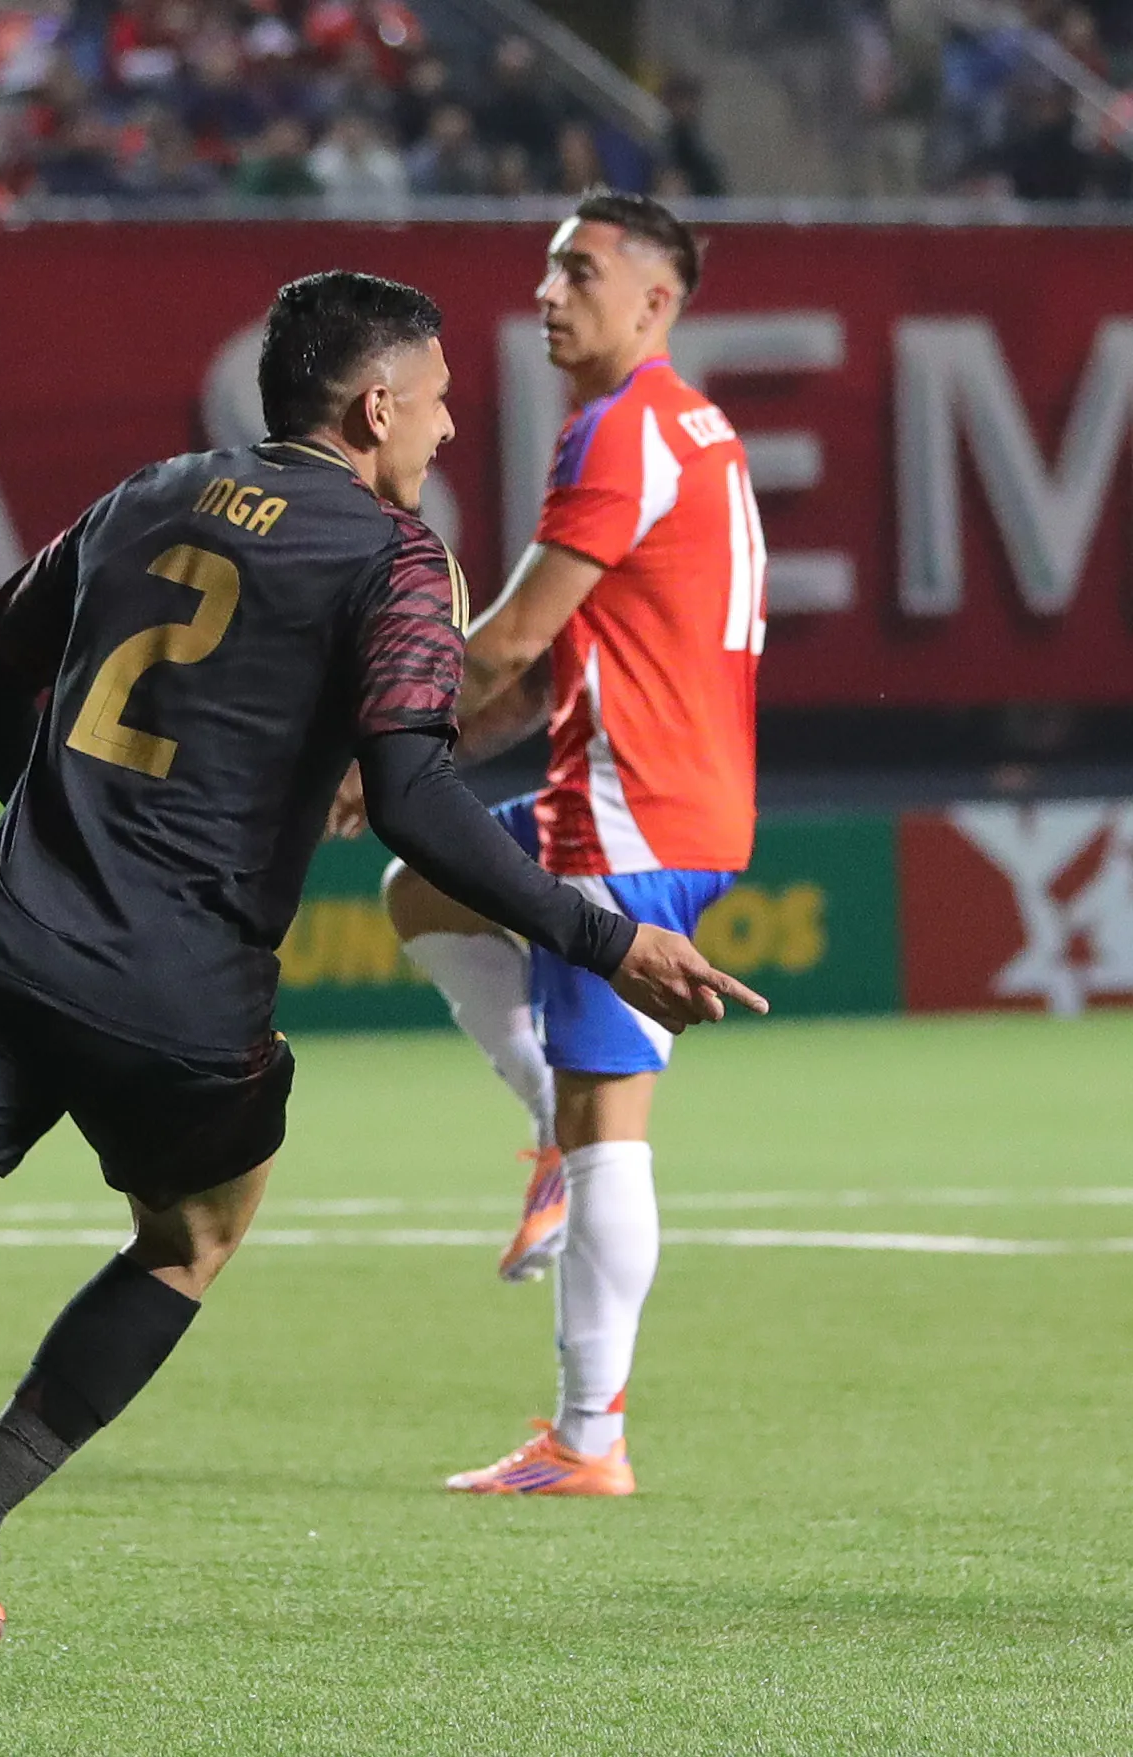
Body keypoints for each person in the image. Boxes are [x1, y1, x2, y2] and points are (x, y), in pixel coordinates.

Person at [0, 270, 765, 1726]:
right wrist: (602, 942)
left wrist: (64, 832)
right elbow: (415, 796)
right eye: (438, 400)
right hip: (180, 990)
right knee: (191, 1237)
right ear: (376, 406)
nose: (452, 427)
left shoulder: (147, 493)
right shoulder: (402, 559)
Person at [341, 190, 763, 1496]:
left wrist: (379, 741)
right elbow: (544, 669)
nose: (547, 291)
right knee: (424, 890)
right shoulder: (683, 428)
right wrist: (415, 766)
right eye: (545, 269)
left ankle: (589, 1440)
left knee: (609, 1130)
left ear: (657, 299)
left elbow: (514, 639)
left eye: (579, 271)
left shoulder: (624, 430)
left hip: (627, 812)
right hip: (660, 792)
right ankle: (546, 1146)